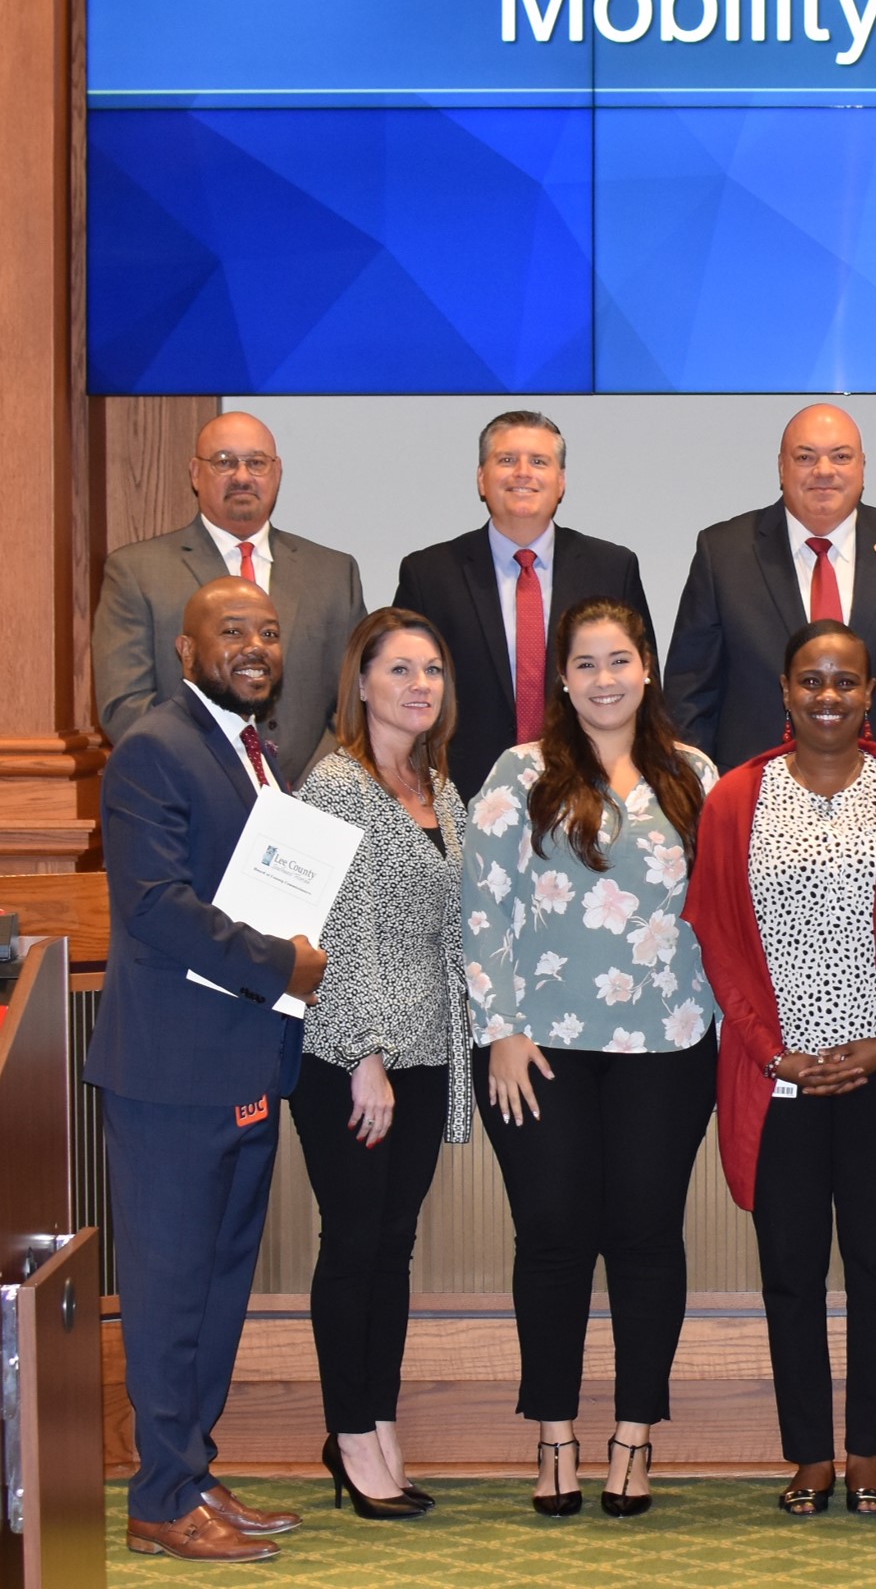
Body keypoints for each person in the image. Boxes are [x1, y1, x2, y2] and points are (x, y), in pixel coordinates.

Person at [685, 620, 876, 1519]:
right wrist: (771, 1049)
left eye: (846, 681)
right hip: (781, 1076)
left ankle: (868, 1451)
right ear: (785, 690)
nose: (829, 696)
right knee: (791, 1271)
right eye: (812, 680)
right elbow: (719, 933)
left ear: (871, 692)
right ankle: (808, 1454)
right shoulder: (735, 798)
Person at [85, 576, 328, 1562]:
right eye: (231, 631)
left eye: (269, 630)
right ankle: (157, 1498)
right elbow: (155, 906)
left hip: (243, 1067)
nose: (255, 645)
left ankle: (188, 1470)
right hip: (171, 1078)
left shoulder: (256, 755)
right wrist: (285, 964)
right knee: (169, 1289)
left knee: (219, 1288)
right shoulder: (153, 748)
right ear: (185, 652)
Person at [462, 598, 719, 1520]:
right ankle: (555, 1434)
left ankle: (635, 1436)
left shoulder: (692, 773)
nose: (604, 678)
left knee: (647, 1238)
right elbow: (482, 906)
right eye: (585, 662)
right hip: (540, 1049)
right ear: (561, 677)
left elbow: (722, 915)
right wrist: (498, 1027)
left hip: (670, 1046)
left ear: (644, 667)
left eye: (619, 660)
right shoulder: (518, 772)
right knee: (556, 1237)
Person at [292, 607, 475, 1520]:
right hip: (349, 1055)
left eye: (431, 669)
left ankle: (375, 1418)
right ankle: (349, 1432)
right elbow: (327, 927)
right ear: (359, 684)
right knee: (355, 1241)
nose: (418, 685)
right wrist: (363, 1053)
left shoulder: (440, 784)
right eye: (398, 669)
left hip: (428, 1046)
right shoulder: (335, 784)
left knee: (392, 1248)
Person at [664, 403, 876, 771]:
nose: (824, 471)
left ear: (862, 467)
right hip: (755, 797)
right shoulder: (723, 553)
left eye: (841, 456)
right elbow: (688, 698)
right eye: (805, 457)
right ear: (781, 468)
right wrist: (693, 802)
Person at [93, 410, 366, 781]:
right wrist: (220, 779)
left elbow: (352, 701)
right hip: (191, 798)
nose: (241, 476)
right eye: (224, 462)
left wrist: (317, 784)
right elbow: (124, 706)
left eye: (256, 462)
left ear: (276, 472)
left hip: (309, 803)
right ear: (195, 473)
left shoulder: (334, 573)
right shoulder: (137, 571)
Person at [395, 411, 656, 796]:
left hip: (594, 788)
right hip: (462, 792)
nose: (522, 473)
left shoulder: (612, 568)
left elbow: (645, 686)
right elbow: (401, 692)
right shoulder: (429, 574)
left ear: (561, 481)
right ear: (481, 479)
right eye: (506, 460)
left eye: (538, 461)